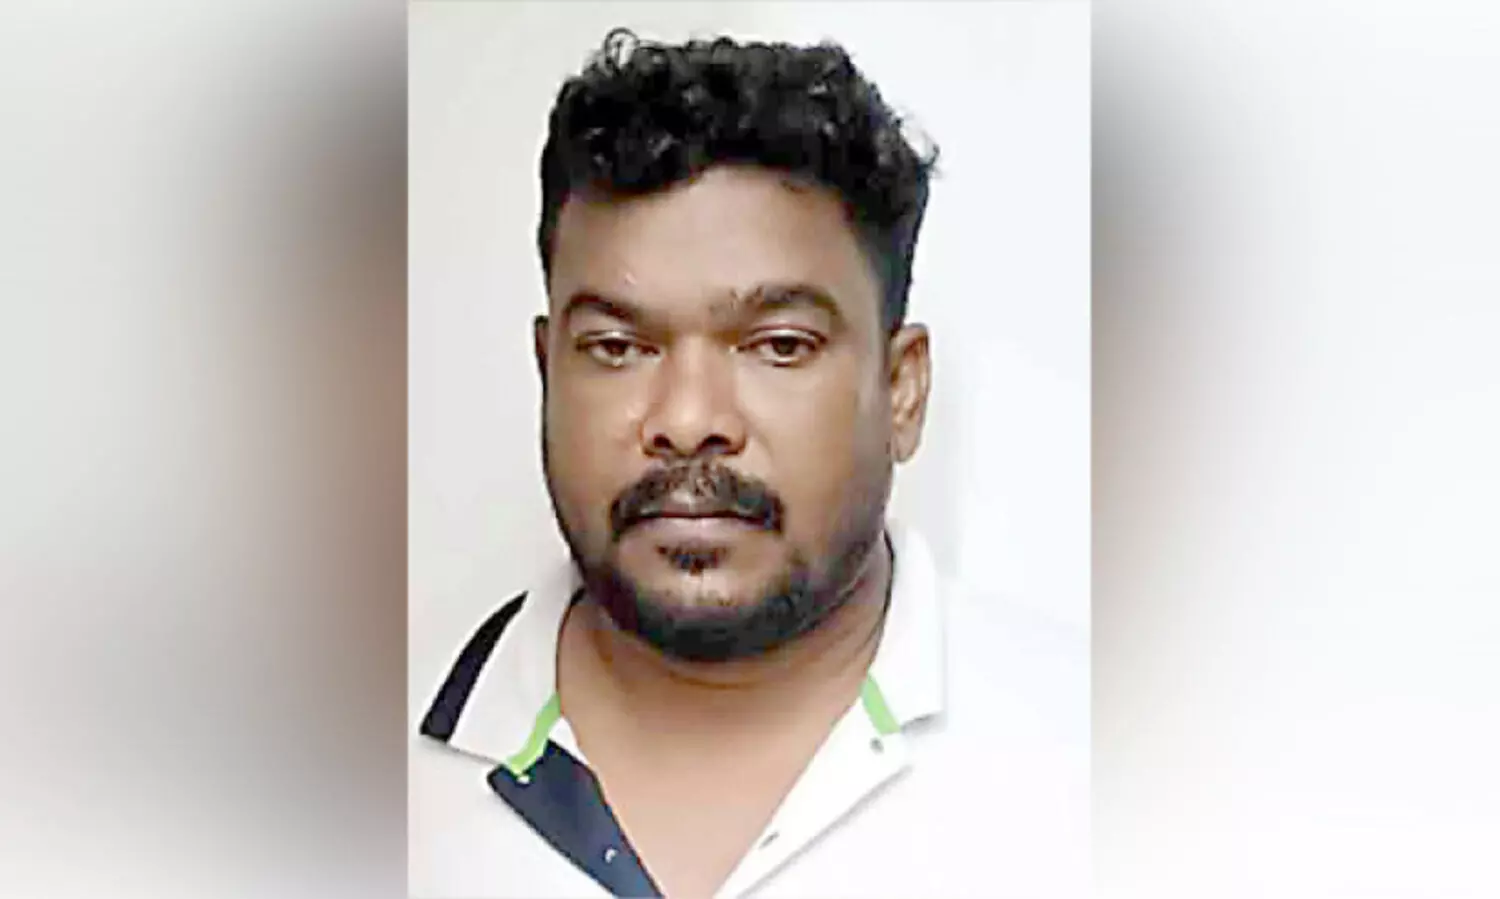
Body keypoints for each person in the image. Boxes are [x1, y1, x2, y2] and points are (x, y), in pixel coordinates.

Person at [411, 27, 1087, 898]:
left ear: (902, 390)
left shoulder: (1104, 768)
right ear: (549, 373)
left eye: (779, 344)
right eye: (617, 347)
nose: (689, 420)